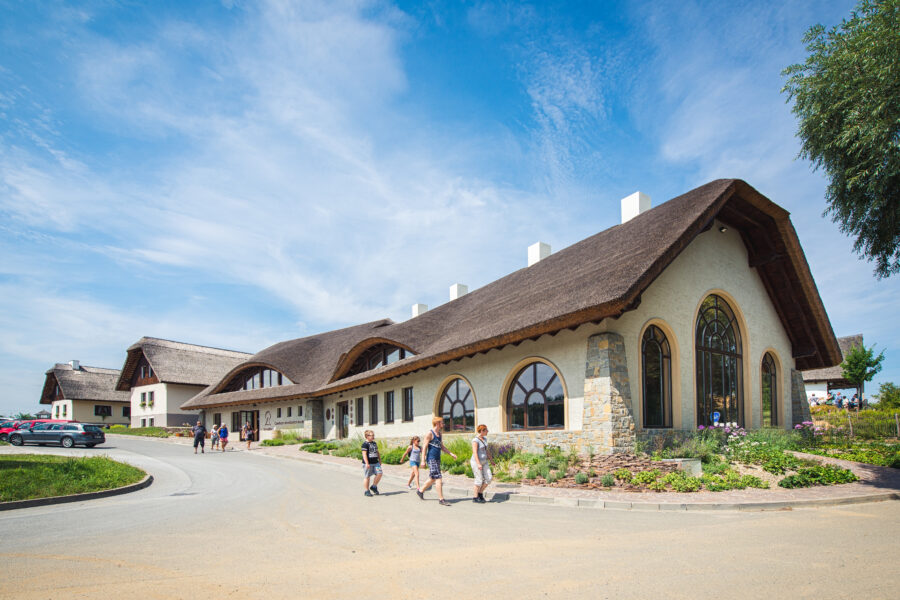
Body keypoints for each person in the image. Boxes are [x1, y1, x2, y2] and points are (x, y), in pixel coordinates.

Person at [417, 417, 457, 506]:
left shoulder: (439, 434)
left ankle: (420, 491)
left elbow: (442, 447)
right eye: (442, 422)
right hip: (431, 458)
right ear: (437, 423)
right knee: (438, 478)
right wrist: (423, 460)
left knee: (433, 478)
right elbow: (424, 447)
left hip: (437, 458)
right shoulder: (430, 434)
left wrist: (451, 453)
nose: (444, 424)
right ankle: (441, 499)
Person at [470, 424, 493, 503]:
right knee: (479, 479)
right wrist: (478, 463)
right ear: (482, 431)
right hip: (476, 462)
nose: (488, 431)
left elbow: (486, 451)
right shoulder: (475, 440)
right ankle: (475, 497)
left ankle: (480, 493)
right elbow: (475, 453)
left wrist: (491, 460)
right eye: (486, 430)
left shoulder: (485, 439)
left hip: (485, 462)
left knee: (489, 478)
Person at [361, 430, 382, 497]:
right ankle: (367, 491)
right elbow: (364, 454)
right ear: (367, 436)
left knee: (379, 473)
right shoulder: (365, 444)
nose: (373, 436)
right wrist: (367, 463)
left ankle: (374, 486)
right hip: (368, 463)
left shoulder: (374, 443)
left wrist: (379, 459)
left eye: (373, 435)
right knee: (367, 477)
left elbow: (377, 452)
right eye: (371, 435)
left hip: (376, 462)